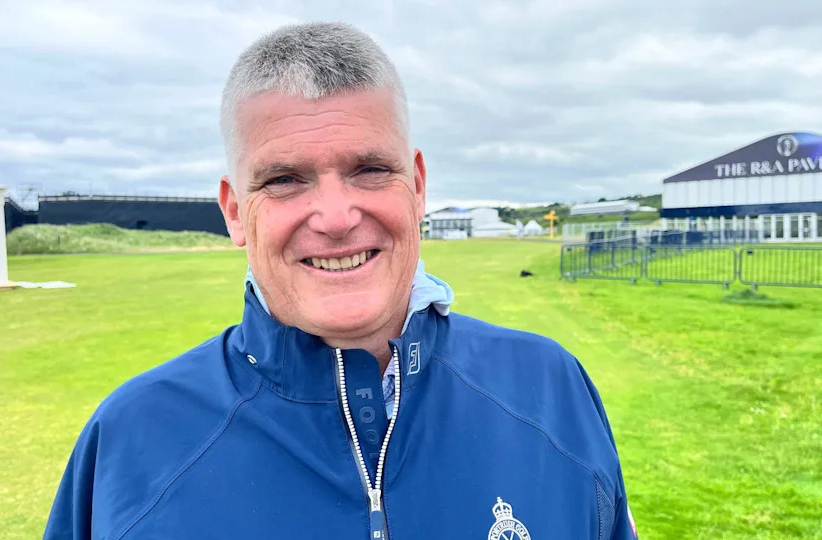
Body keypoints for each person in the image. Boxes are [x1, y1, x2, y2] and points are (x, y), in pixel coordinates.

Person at [44, 22, 638, 540]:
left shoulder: (549, 389)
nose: (335, 217)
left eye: (371, 169)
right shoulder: (131, 441)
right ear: (233, 211)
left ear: (419, 185)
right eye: (283, 180)